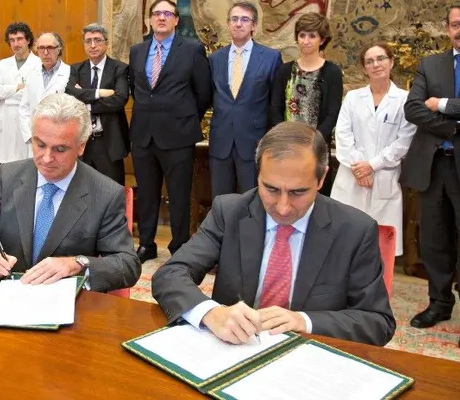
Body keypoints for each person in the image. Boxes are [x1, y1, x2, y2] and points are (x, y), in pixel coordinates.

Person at [151, 121, 395, 346]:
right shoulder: (230, 212)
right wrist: (211, 313)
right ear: (258, 174)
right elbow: (170, 274)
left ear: (321, 179)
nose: (283, 207)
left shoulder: (355, 230)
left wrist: (304, 321)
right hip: (235, 351)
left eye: (298, 192)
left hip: (310, 361)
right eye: (271, 189)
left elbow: (378, 322)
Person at [0, 93, 141, 292]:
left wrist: (77, 263)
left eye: (60, 149)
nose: (47, 158)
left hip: (67, 303)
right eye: (40, 145)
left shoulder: (105, 193)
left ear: (81, 146)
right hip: (8, 294)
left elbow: (127, 265)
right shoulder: (9, 175)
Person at [401, 1, 460, 351]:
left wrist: (441, 105)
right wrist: (456, 128)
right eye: (456, 25)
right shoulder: (431, 63)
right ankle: (439, 304)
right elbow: (412, 108)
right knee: (433, 243)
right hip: (432, 167)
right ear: (447, 28)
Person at [128, 0, 211, 263]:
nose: (161, 18)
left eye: (167, 13)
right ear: (150, 19)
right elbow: (137, 90)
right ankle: (147, 244)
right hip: (143, 134)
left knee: (178, 194)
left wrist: (184, 118)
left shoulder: (192, 49)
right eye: (156, 13)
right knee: (148, 193)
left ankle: (178, 246)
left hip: (178, 134)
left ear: (176, 20)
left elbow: (204, 92)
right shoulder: (137, 51)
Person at [331, 42, 416, 255]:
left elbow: (404, 141)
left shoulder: (405, 100)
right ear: (364, 68)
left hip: (383, 178)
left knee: (379, 248)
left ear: (392, 62)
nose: (376, 64)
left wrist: (372, 165)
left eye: (381, 59)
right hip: (351, 176)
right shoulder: (352, 98)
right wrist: (359, 167)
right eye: (369, 61)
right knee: (343, 242)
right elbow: (342, 135)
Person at [209, 2, 282, 197]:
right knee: (221, 202)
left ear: (254, 26)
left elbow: (276, 103)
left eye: (244, 19)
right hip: (221, 142)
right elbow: (207, 95)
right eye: (234, 19)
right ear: (228, 24)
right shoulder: (215, 58)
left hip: (254, 142)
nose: (238, 24)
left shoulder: (270, 57)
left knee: (253, 201)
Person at [269, 12, 343, 196]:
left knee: (316, 198)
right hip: (286, 147)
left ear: (322, 39)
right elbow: (275, 108)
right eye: (302, 35)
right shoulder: (284, 71)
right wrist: (285, 138)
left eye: (312, 36)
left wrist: (313, 140)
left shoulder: (332, 72)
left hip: (316, 148)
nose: (306, 41)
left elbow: (333, 113)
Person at [64, 23, 130, 186]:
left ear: (106, 43)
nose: (93, 45)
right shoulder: (76, 69)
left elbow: (120, 99)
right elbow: (71, 95)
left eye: (98, 40)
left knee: (112, 190)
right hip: (83, 141)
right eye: (88, 41)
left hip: (109, 142)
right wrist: (99, 93)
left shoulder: (119, 69)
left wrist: (86, 103)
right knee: (82, 190)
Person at [0, 22, 41, 164]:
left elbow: (34, 94)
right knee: (6, 166)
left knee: (26, 164)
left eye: (19, 39)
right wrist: (17, 88)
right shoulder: (2, 64)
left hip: (27, 121)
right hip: (5, 122)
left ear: (28, 40)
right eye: (12, 40)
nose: (15, 44)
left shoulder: (39, 64)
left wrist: (5, 91)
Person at [19, 32, 72, 149]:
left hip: (60, 138)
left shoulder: (69, 73)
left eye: (50, 48)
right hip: (36, 138)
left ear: (58, 49)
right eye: (41, 48)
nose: (45, 52)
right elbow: (24, 108)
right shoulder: (32, 75)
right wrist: (30, 136)